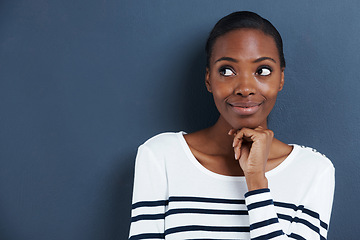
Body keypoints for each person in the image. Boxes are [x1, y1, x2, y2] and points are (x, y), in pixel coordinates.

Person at [128, 11, 335, 240]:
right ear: (208, 79)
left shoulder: (313, 170)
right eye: (227, 71)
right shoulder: (161, 156)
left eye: (262, 71)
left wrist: (256, 182)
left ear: (281, 79)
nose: (245, 88)